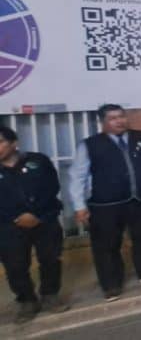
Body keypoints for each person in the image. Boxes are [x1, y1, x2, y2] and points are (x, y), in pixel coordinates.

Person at [69, 104, 141, 302]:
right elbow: (78, 176)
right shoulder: (90, 145)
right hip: (106, 204)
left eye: (121, 116)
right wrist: (79, 206)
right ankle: (111, 284)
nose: (119, 121)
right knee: (106, 245)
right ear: (102, 122)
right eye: (113, 118)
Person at [0, 127, 70, 323]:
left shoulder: (38, 161)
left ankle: (50, 295)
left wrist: (36, 214)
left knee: (50, 259)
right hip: (8, 226)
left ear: (14, 143)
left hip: (45, 219)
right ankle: (27, 301)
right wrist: (16, 218)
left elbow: (52, 187)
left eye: (0, 142)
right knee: (15, 266)